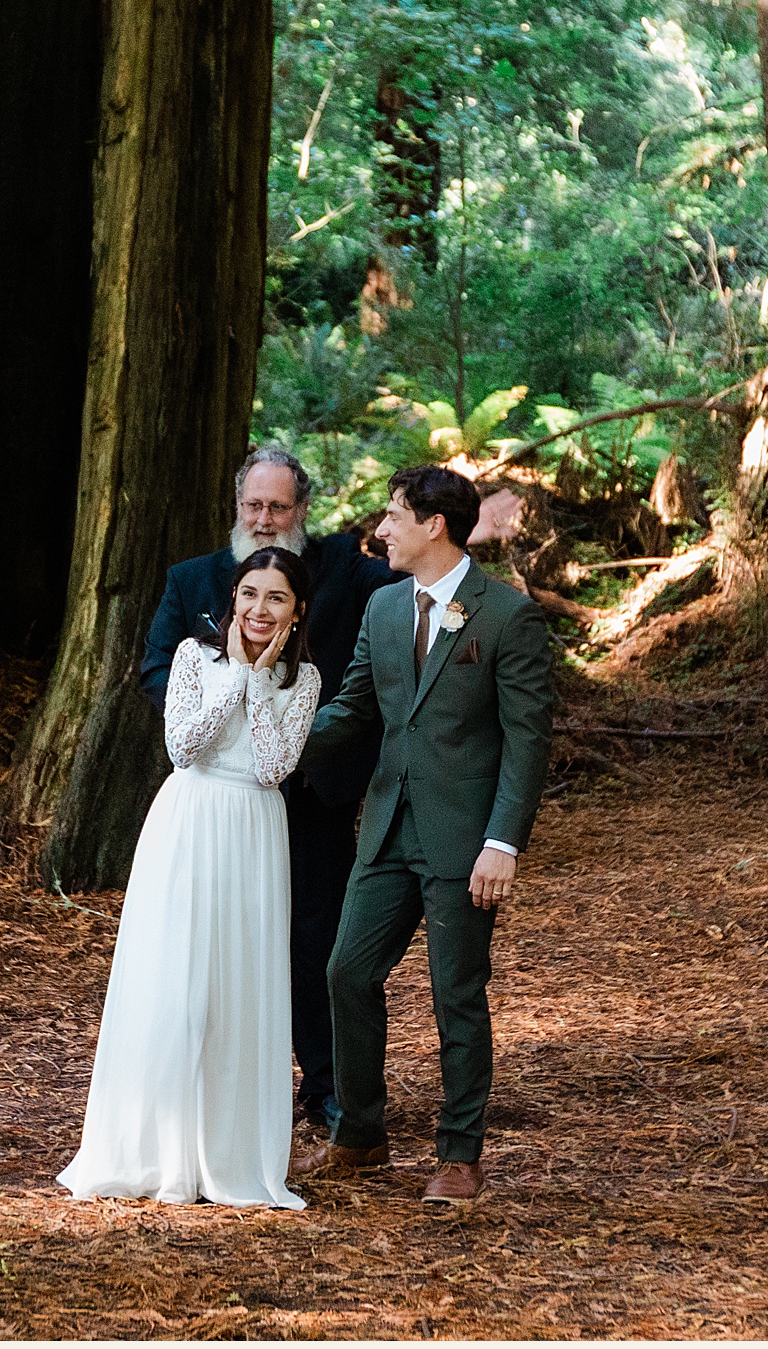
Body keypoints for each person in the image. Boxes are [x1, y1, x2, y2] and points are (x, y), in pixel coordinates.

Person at [291, 464, 557, 1203]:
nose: (382, 529)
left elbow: (526, 741)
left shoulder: (505, 616)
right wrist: (277, 739)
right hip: (383, 829)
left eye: (393, 515)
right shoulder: (381, 608)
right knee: (346, 971)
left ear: (434, 524)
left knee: (456, 994)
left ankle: (460, 1153)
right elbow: (353, 709)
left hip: (464, 840)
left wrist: (503, 841)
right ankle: (361, 1135)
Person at [138, 446, 399, 1131]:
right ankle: (196, 1089)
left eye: (278, 506)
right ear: (237, 507)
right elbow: (158, 669)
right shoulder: (194, 581)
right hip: (211, 798)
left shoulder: (342, 569)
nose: (264, 518)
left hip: (311, 793)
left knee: (317, 941)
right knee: (205, 944)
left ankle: (326, 1085)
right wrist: (209, 720)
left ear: (301, 510)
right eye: (253, 505)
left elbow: (414, 589)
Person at [59, 547, 322, 1208]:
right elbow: (184, 745)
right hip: (188, 819)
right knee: (177, 986)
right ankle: (153, 1149)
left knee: (237, 984)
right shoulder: (189, 657)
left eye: (277, 598)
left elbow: (271, 765)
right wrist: (235, 675)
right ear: (232, 599)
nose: (260, 609)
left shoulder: (305, 679)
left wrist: (261, 683)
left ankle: (228, 1155)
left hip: (254, 831)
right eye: (250, 594)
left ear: (297, 611)